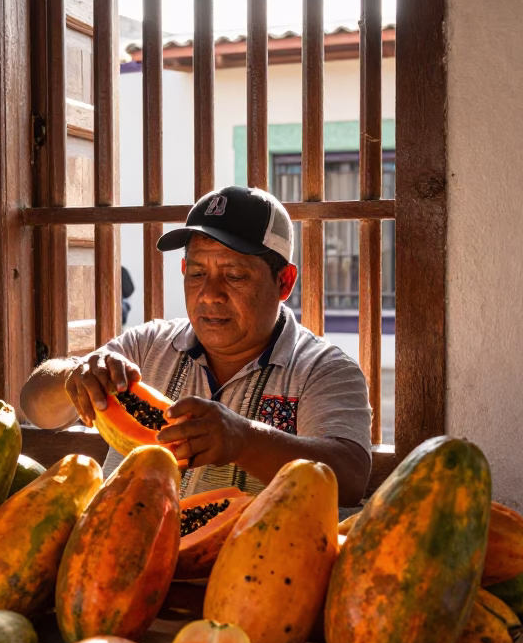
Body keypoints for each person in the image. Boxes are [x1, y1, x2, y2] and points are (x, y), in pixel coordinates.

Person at [21, 186, 372, 506]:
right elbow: (35, 405)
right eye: (197, 274)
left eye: (234, 275)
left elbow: (351, 477)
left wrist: (244, 439)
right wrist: (75, 374)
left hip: (243, 571)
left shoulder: (324, 370)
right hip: (116, 559)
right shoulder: (146, 345)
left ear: (284, 281)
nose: (210, 295)